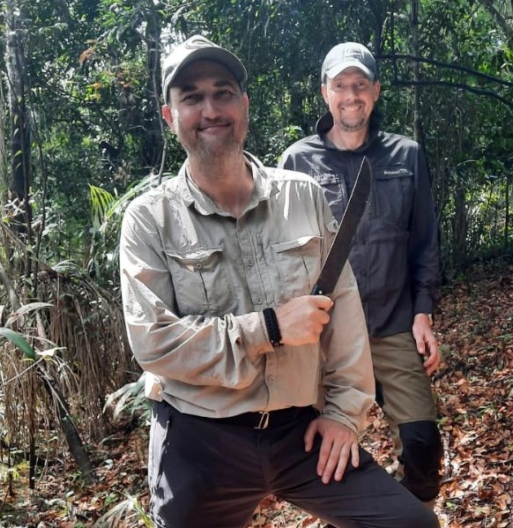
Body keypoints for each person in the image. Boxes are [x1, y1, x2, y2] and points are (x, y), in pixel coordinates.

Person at [119, 35, 439, 528]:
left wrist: (344, 414)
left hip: (300, 432)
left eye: (223, 92)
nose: (210, 109)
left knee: (410, 523)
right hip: (201, 439)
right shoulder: (149, 219)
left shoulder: (301, 195)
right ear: (170, 115)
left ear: (244, 106)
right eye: (192, 97)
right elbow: (154, 343)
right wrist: (267, 327)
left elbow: (345, 309)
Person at [279, 42, 443, 509]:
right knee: (326, 453)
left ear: (375, 91)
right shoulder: (296, 162)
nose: (351, 95)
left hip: (392, 323)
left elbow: (424, 241)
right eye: (340, 86)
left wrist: (424, 312)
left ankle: (410, 511)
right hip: (327, 333)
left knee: (423, 447)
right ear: (324, 93)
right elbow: (284, 253)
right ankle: (367, 516)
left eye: (360, 85)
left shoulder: (406, 156)